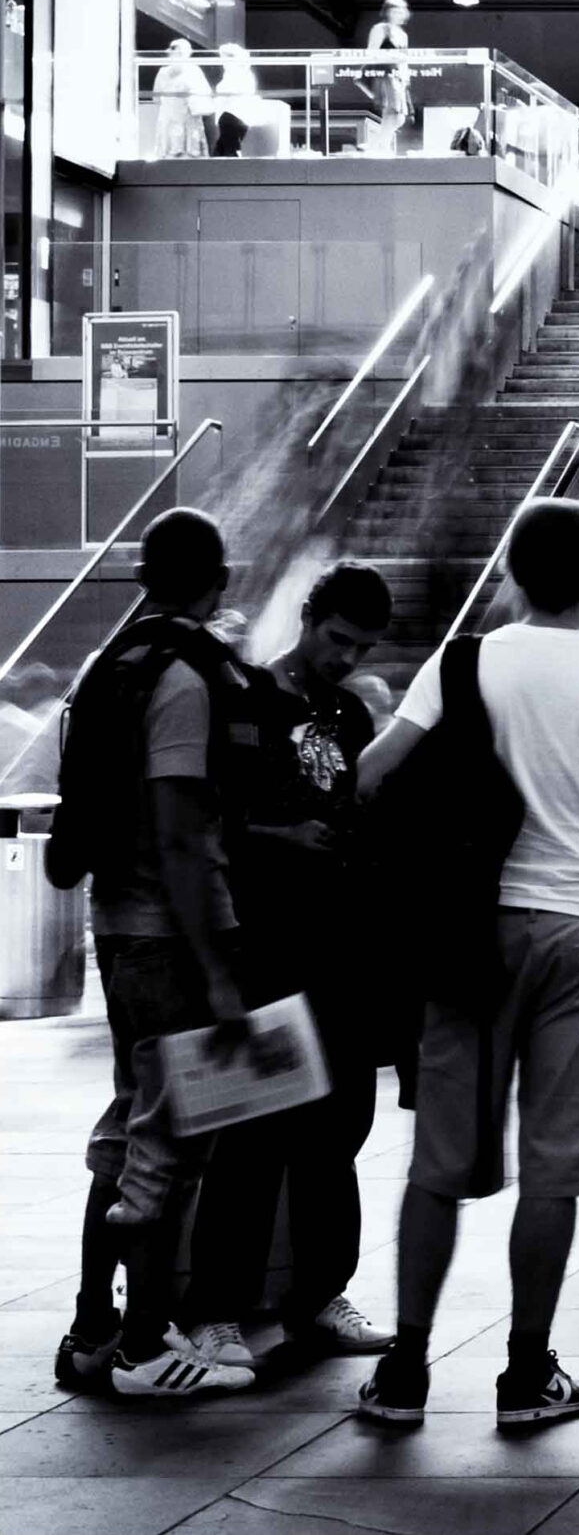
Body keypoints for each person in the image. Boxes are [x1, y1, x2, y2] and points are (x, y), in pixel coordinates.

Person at [354, 499, 579, 1429]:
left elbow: (374, 775)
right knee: (557, 1167)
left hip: (469, 933)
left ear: (514, 570)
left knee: (440, 1161)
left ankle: (403, 1373)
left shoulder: (464, 661)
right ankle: (526, 1374)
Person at [53, 509, 267, 1397]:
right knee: (171, 1141)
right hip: (170, 937)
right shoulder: (184, 678)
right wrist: (217, 970)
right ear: (220, 580)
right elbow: (181, 829)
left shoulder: (121, 661)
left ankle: (92, 1327)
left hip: (120, 925)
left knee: (131, 1125)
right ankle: (145, 1344)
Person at [181, 565, 397, 1370]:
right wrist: (286, 838)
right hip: (268, 945)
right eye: (338, 640)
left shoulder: (347, 712)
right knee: (249, 1132)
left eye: (362, 647)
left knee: (336, 1132)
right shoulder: (248, 699)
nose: (346, 658)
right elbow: (214, 821)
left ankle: (318, 1294)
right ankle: (215, 1305)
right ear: (308, 620)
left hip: (339, 947)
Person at [365, 0, 414, 153]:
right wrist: (392, 57)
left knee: (400, 117)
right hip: (385, 75)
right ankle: (379, 146)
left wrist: (406, 76)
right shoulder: (381, 29)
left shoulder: (402, 34)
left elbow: (405, 59)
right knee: (392, 113)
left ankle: (378, 145)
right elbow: (370, 53)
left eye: (401, 10)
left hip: (399, 76)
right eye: (395, 10)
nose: (399, 14)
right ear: (387, 12)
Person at [151, 40, 213, 159]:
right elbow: (156, 97)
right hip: (171, 119)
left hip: (185, 118)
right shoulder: (164, 72)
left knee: (187, 154)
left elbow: (156, 98)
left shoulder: (192, 71)